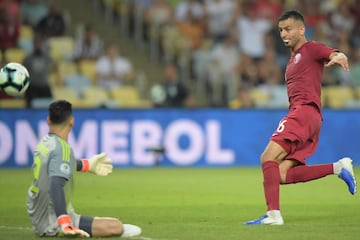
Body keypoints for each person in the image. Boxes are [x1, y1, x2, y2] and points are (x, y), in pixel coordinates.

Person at [244, 10, 356, 225]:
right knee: (281, 175)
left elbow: (331, 53)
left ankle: (273, 215)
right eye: (280, 30)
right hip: (311, 118)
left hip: (303, 112)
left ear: (301, 29)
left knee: (267, 158)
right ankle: (338, 167)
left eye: (288, 29)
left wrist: (338, 55)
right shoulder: (292, 62)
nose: (284, 34)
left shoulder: (310, 49)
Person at [26, 100, 142, 237]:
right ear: (72, 122)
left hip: (39, 212)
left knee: (114, 224)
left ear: (48, 120)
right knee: (116, 227)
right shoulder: (62, 148)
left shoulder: (45, 143)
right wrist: (65, 222)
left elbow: (55, 165)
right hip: (53, 220)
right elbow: (55, 184)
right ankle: (66, 227)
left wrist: (86, 165)